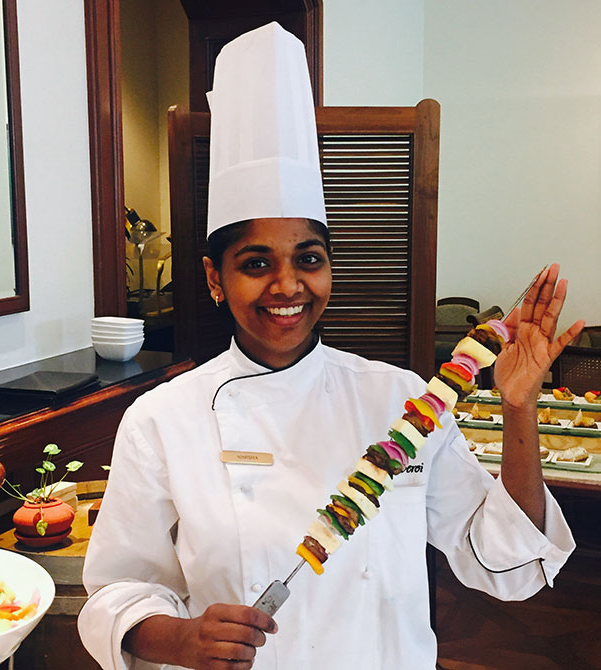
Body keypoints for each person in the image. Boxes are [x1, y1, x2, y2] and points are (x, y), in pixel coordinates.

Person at [78, 23, 582, 670]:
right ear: (213, 278)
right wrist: (178, 637)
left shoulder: (402, 402)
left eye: (307, 258)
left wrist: (518, 408)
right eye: (255, 263)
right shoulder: (162, 420)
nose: (287, 285)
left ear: (329, 267)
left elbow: (504, 560)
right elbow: (118, 589)